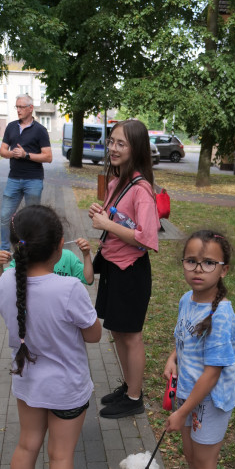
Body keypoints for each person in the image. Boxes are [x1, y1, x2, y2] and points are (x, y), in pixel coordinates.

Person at [0, 205, 101, 469]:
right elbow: (94, 335)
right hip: (66, 389)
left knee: (27, 445)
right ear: (60, 246)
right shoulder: (69, 288)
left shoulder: (6, 279)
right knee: (61, 456)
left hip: (27, 383)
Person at [162, 230, 235, 469]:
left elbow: (212, 374)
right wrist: (173, 357)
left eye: (208, 263)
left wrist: (181, 412)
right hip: (188, 394)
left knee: (205, 465)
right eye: (192, 261)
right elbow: (184, 337)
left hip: (210, 400)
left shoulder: (221, 316)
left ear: (223, 270)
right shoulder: (187, 300)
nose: (198, 269)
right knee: (192, 458)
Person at [89, 119, 161, 418]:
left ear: (136, 149)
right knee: (117, 332)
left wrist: (106, 224)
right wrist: (102, 213)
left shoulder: (141, 189)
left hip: (130, 270)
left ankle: (134, 398)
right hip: (113, 266)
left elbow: (147, 238)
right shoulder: (119, 180)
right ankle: (129, 387)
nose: (113, 148)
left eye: (121, 143)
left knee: (131, 336)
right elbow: (118, 218)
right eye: (112, 142)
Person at [0, 94, 52, 262]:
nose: (18, 110)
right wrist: (12, 153)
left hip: (33, 180)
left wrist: (26, 155)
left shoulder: (40, 130)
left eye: (21, 107)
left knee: (32, 218)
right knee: (5, 215)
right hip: (13, 179)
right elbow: (2, 151)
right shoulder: (11, 127)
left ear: (30, 108)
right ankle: (5, 251)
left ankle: (31, 250)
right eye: (16, 107)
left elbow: (48, 157)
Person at [0, 237, 94, 286]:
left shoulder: (68, 257)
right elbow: (1, 282)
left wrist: (86, 255)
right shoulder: (23, 257)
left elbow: (88, 279)